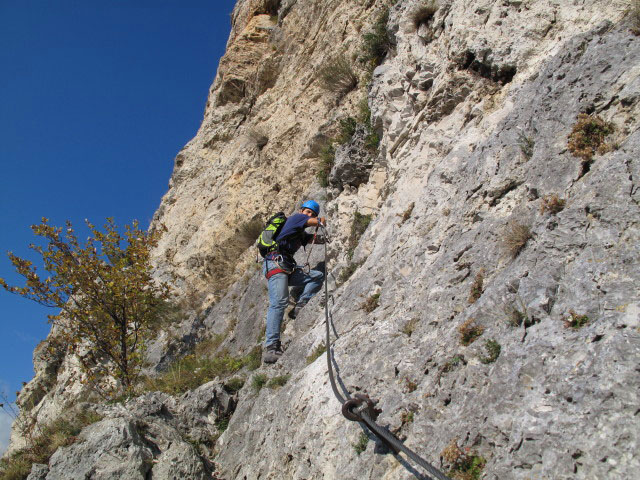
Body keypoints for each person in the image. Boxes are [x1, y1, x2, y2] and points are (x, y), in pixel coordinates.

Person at [262, 200, 326, 364]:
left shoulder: (299, 232)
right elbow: (314, 222)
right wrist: (320, 221)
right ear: (301, 211)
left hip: (287, 267)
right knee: (279, 303)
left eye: (312, 213)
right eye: (307, 212)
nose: (309, 215)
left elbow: (310, 239)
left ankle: (300, 305)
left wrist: (322, 239)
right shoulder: (296, 218)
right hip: (276, 264)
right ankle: (271, 347)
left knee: (317, 276)